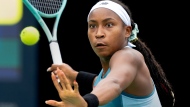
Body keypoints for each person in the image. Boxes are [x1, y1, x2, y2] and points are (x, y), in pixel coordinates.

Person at [45, 0, 175, 107]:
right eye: (92, 26)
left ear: (127, 31)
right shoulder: (109, 72)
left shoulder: (129, 56)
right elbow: (101, 81)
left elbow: (114, 83)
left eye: (109, 25)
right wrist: (73, 75)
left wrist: (86, 102)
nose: (99, 33)